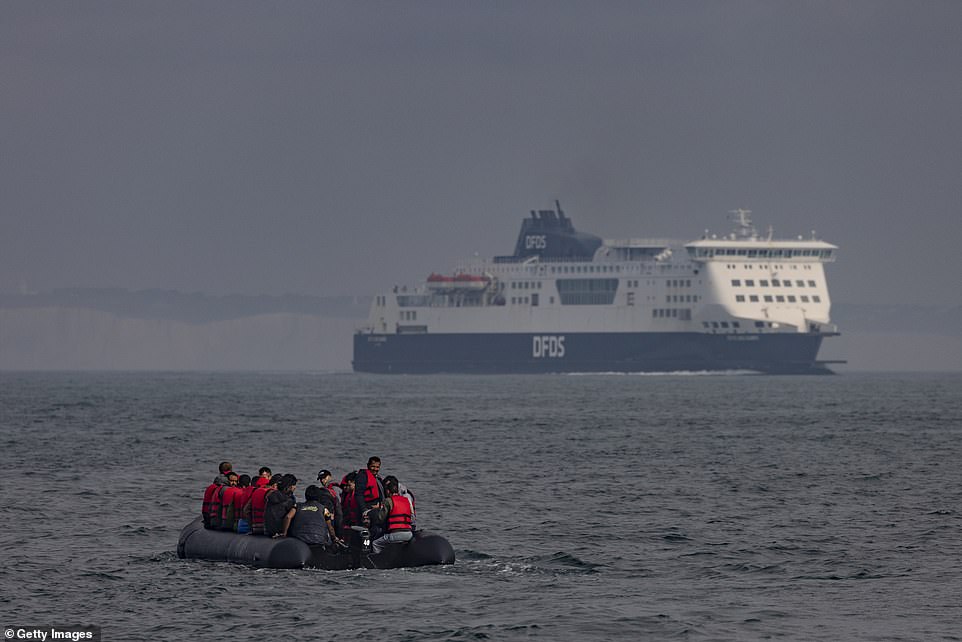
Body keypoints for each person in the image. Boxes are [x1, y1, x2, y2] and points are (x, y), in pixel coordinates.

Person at [372, 476, 414, 554]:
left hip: (396, 534)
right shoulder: (406, 500)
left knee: (376, 543)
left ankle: (380, 562)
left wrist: (377, 511)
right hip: (409, 534)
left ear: (388, 491)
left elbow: (381, 518)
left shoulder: (388, 501)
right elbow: (412, 517)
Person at [317, 469, 343, 536]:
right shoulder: (330, 487)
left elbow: (338, 502)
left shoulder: (334, 487)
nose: (322, 480)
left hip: (338, 515)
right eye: (320, 479)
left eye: (324, 478)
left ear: (329, 476)